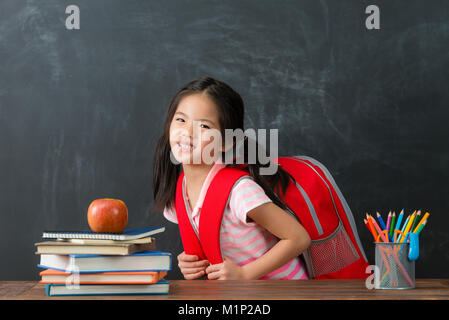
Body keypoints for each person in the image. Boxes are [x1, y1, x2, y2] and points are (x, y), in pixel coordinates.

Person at [152, 76, 311, 280]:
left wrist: (244, 273)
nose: (187, 133)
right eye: (181, 120)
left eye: (204, 126)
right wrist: (189, 262)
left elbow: (298, 238)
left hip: (284, 291)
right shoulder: (178, 193)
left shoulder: (240, 191)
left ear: (226, 142)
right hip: (238, 295)